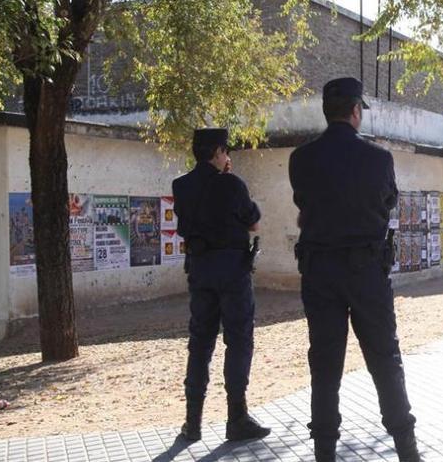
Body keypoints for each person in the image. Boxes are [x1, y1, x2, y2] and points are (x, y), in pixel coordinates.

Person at [289, 77, 421, 462]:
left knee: (325, 366)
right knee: (384, 360)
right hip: (366, 273)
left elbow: (304, 201)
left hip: (319, 273)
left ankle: (324, 455)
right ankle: (407, 452)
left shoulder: (301, 158)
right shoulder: (378, 158)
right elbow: (389, 201)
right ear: (355, 111)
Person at [172, 128, 269, 442]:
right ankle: (236, 418)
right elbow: (254, 223)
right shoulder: (232, 184)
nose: (228, 157)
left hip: (200, 270)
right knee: (238, 341)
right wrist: (230, 180)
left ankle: (193, 423)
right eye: (226, 151)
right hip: (232, 271)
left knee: (200, 343)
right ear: (217, 152)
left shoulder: (181, 185)